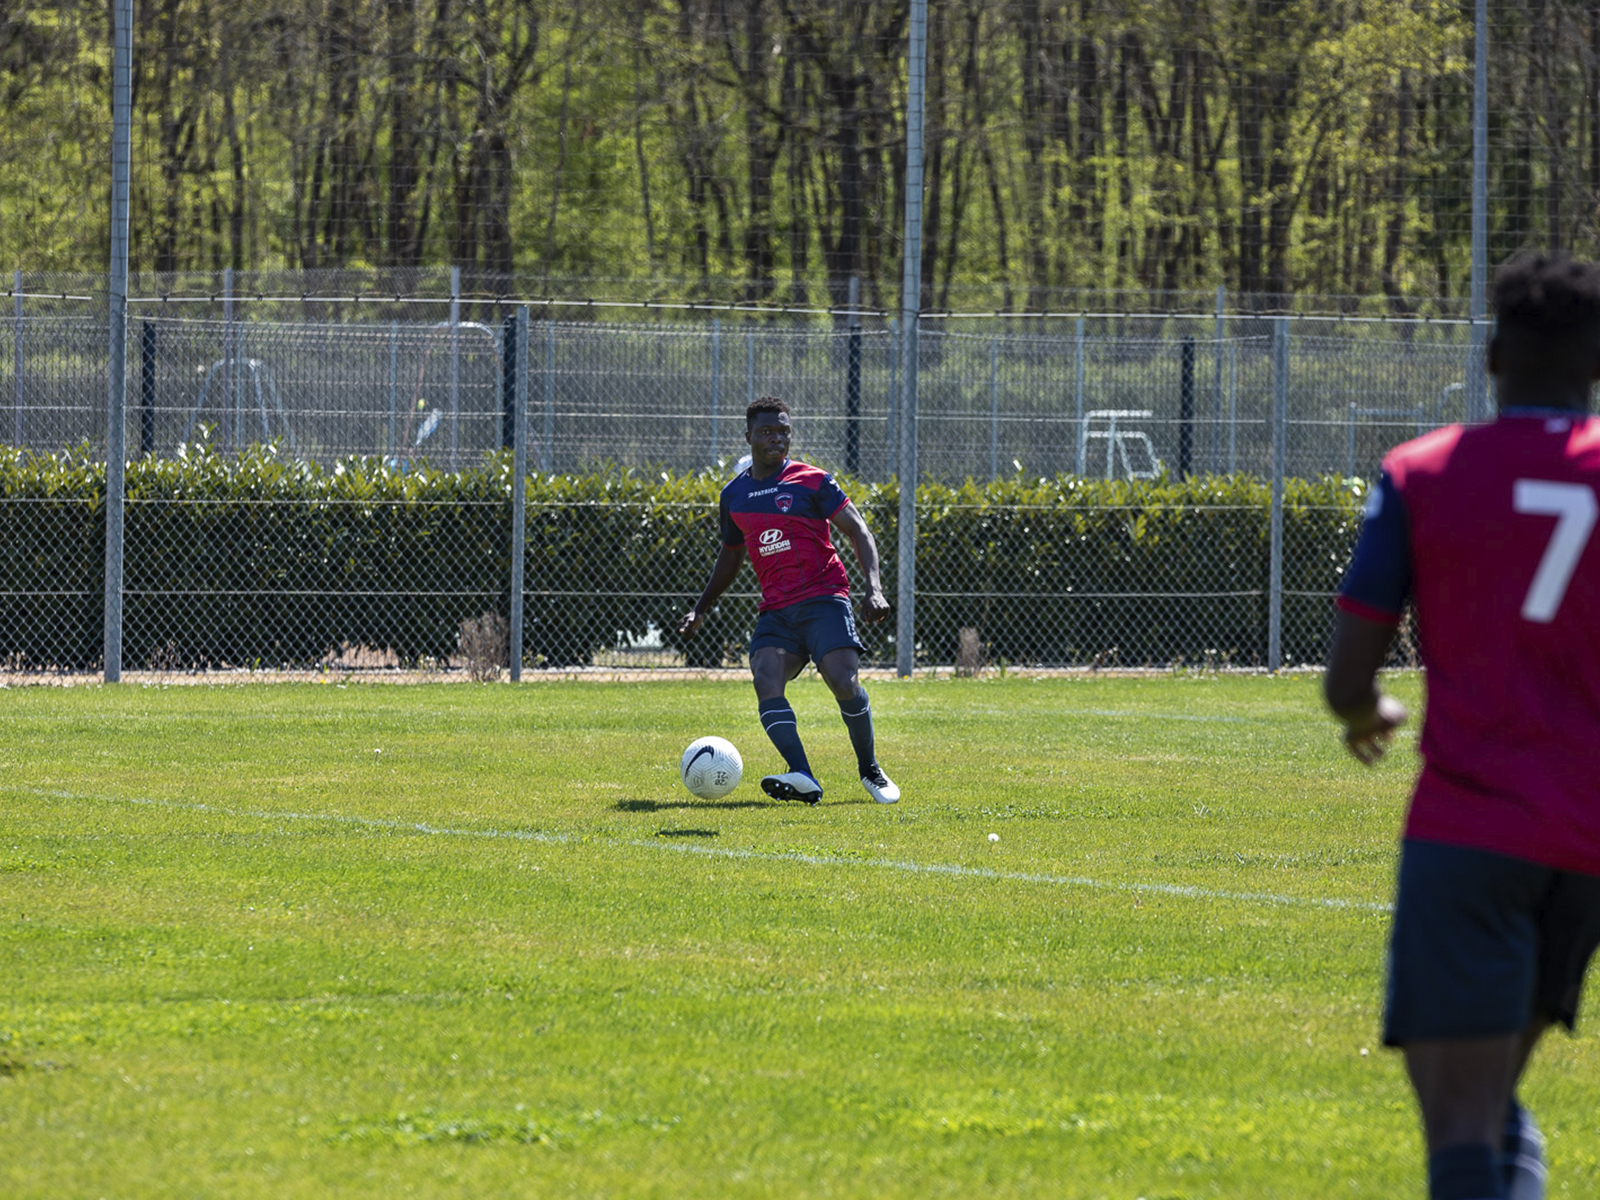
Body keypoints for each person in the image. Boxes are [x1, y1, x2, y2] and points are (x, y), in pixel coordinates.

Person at [1325, 252, 1600, 1200]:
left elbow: (1348, 679)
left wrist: (1371, 712)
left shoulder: (1422, 473)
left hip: (1471, 830)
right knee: (1498, 1103)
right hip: (1586, 838)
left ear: (1491, 357)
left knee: (1459, 1125)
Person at [678, 396, 899, 805]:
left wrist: (875, 588)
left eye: (783, 431)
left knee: (843, 680)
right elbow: (730, 555)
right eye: (766, 432)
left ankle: (870, 770)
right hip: (777, 610)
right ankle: (803, 775)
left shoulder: (813, 480)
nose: (776, 439)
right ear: (748, 437)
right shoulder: (734, 496)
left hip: (824, 597)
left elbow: (859, 532)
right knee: (765, 675)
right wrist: (701, 607)